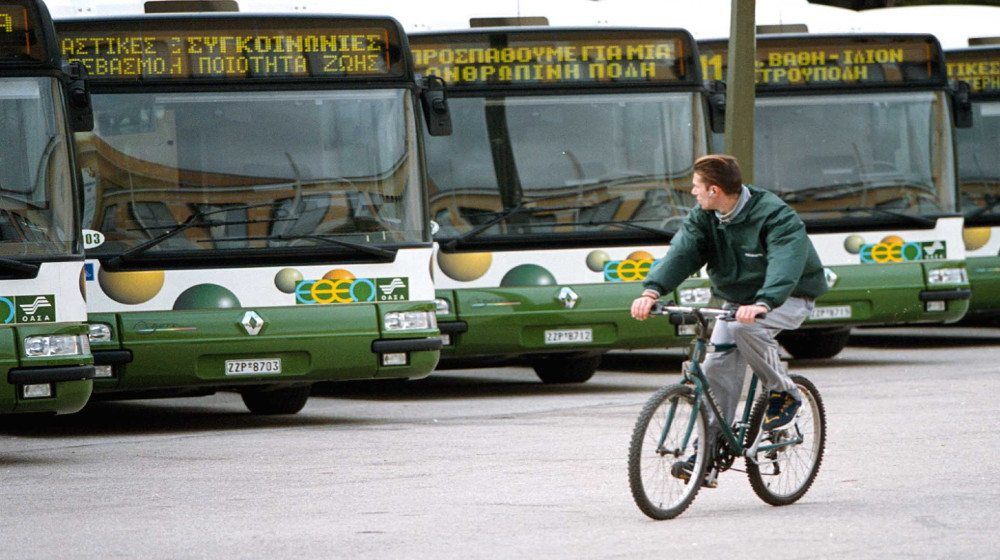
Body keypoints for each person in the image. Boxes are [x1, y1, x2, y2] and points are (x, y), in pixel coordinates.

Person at [630, 154, 828, 483]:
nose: (692, 192)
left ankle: (784, 392)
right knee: (714, 372)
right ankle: (706, 455)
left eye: (696, 187)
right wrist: (652, 291)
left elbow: (785, 262)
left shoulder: (774, 215)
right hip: (736, 301)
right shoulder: (705, 216)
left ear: (715, 190)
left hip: (788, 295)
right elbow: (682, 251)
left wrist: (765, 302)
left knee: (742, 327)